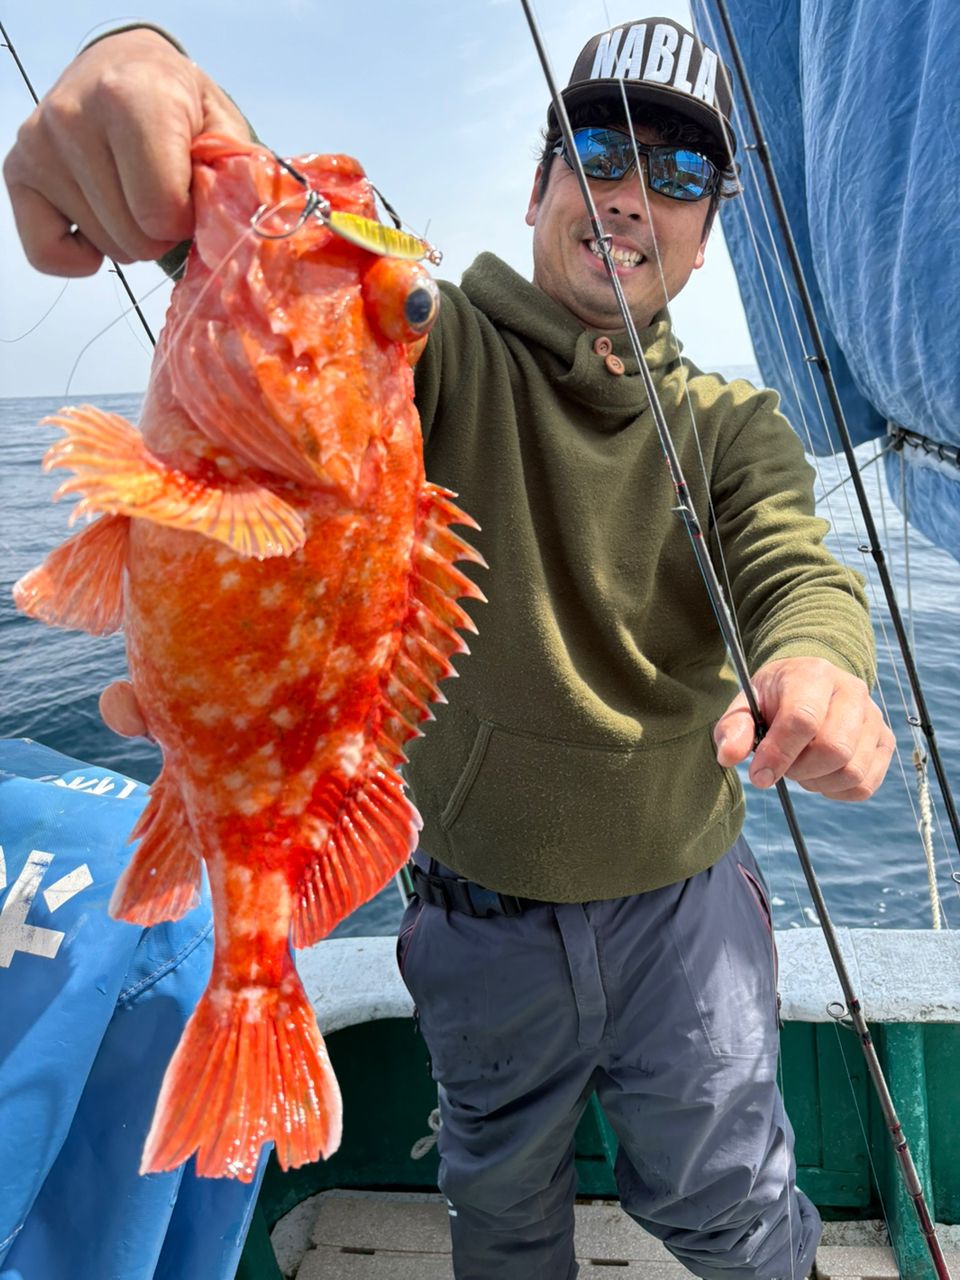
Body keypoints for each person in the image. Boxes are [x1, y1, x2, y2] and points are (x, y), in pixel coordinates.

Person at [4, 16, 895, 1280]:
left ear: (710, 234)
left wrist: (820, 662)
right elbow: (310, 276)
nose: (631, 193)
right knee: (498, 1207)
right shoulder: (435, 344)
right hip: (477, 922)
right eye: (598, 148)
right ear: (538, 187)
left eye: (682, 175)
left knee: (732, 1199)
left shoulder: (735, 427)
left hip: (683, 915)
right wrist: (157, 77)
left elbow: (794, 568)